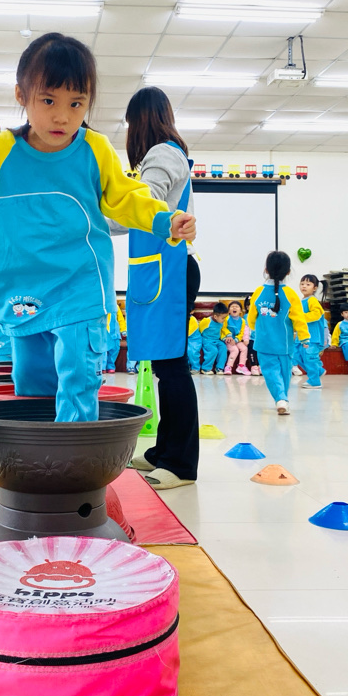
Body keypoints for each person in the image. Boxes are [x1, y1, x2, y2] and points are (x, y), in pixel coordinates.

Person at [0, 37, 196, 423]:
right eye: (48, 101)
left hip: (80, 288)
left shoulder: (95, 149)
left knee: (78, 381)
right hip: (23, 290)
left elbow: (127, 197)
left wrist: (164, 220)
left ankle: (74, 458)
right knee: (32, 384)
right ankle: (40, 453)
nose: (62, 117)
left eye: (76, 104)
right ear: (21, 95)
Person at [111, 87, 201, 489]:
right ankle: (163, 451)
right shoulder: (163, 155)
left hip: (174, 271)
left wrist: (89, 216)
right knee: (165, 367)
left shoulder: (163, 154)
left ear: (140, 121)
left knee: (172, 367)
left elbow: (143, 209)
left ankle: (180, 465)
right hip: (164, 270)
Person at [247, 251, 310, 415]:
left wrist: (255, 327)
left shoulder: (259, 292)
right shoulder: (291, 294)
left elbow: (251, 317)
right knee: (284, 374)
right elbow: (299, 319)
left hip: (263, 343)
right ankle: (282, 399)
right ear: (288, 272)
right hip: (285, 344)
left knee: (271, 373)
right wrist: (304, 337)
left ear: (266, 270)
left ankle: (281, 398)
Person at [293, 275, 326, 389]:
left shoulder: (312, 300)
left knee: (309, 358)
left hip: (312, 337)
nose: (304, 286)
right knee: (296, 355)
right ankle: (318, 371)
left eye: (308, 284)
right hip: (301, 337)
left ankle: (315, 381)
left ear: (315, 288)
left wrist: (301, 318)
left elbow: (317, 314)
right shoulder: (301, 301)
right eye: (302, 284)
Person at [199, 303, 230, 375]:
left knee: (223, 348)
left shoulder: (222, 321)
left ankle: (219, 368)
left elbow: (223, 330)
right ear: (215, 316)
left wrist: (228, 336)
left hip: (217, 340)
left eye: (225, 317)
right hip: (207, 340)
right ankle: (206, 368)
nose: (224, 319)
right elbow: (199, 330)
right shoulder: (206, 321)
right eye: (223, 318)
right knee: (213, 350)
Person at [223, 300, 250, 375]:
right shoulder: (226, 319)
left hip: (237, 340)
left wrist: (236, 339)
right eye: (232, 307)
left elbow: (241, 332)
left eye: (237, 307)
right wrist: (228, 336)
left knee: (244, 348)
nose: (234, 308)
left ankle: (241, 366)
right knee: (235, 350)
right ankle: (228, 366)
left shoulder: (243, 321)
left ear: (240, 311)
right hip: (228, 340)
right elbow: (223, 328)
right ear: (229, 311)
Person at [103, 303, 127, 373]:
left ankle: (110, 366)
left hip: (115, 333)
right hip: (104, 333)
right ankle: (102, 367)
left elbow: (120, 319)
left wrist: (123, 329)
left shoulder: (115, 306)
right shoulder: (100, 305)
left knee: (115, 349)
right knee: (103, 351)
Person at [243, 295, 261, 375]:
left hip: (260, 338)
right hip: (251, 338)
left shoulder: (260, 316)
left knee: (262, 350)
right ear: (247, 307)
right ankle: (254, 366)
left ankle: (261, 366)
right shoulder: (246, 316)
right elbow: (246, 328)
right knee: (252, 348)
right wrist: (246, 338)